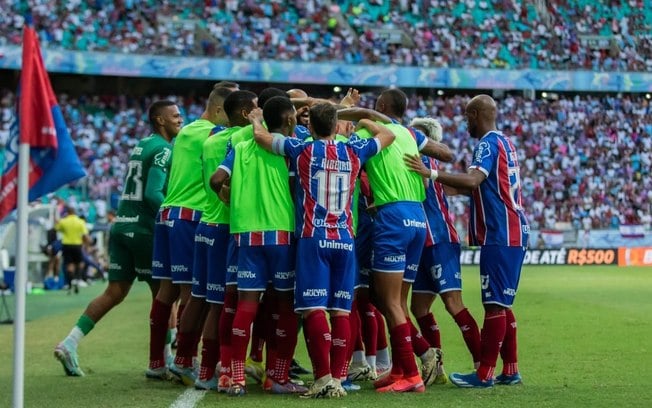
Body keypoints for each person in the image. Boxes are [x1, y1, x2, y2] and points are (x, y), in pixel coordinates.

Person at [252, 100, 396, 398]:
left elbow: (262, 138)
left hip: (313, 237)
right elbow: (388, 135)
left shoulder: (301, 148)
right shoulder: (354, 149)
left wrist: (255, 120)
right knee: (341, 311)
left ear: (310, 126)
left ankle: (322, 378)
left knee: (313, 307)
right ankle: (339, 380)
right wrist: (367, 122)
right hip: (345, 239)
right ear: (335, 126)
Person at [404, 94, 529, 388]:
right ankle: (509, 370)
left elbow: (473, 181)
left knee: (494, 306)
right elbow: (473, 188)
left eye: (465, 117)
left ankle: (483, 373)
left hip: (501, 233)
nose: (464, 123)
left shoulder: (486, 143)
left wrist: (431, 173)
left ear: (474, 115)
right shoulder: (506, 143)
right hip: (508, 231)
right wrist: (437, 181)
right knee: (501, 304)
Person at [54, 100, 181, 377]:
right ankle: (165, 360)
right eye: (175, 116)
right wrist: (173, 216)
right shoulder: (163, 149)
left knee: (114, 292)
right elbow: (151, 193)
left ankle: (70, 342)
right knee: (165, 296)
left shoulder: (141, 145)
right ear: (160, 120)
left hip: (121, 225)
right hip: (144, 231)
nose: (180, 120)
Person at [355, 87, 453, 393]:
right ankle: (399, 367)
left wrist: (351, 115)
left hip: (392, 217)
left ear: (381, 105)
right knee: (397, 300)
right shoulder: (411, 134)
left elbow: (342, 155)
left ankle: (411, 374)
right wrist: (427, 171)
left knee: (386, 300)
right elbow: (447, 153)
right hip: (416, 217)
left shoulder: (366, 129)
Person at [210, 93, 305, 396]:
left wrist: (229, 196)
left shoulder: (238, 147)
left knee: (246, 305)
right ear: (289, 120)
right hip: (280, 233)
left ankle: (235, 377)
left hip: (245, 234)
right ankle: (276, 377)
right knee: (284, 307)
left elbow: (215, 180)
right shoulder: (290, 149)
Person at [147, 86, 232, 380]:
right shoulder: (213, 135)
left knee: (166, 292)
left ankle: (157, 362)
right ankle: (185, 359)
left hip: (169, 213)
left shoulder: (188, 131)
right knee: (194, 295)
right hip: (191, 215)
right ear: (220, 110)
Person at [406, 117, 482, 385]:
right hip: (422, 243)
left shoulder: (423, 162)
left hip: (439, 241)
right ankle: (436, 367)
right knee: (419, 307)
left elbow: (455, 187)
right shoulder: (425, 165)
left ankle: (481, 366)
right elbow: (454, 188)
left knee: (453, 304)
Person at [191, 90, 258, 391]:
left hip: (206, 222)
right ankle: (210, 371)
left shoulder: (210, 140)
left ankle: (201, 366)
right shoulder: (247, 135)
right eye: (256, 108)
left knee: (207, 300)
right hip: (225, 226)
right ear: (246, 114)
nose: (260, 113)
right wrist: (231, 200)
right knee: (222, 304)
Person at [54, 206, 91, 294]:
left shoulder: (64, 221)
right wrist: (88, 245)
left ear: (67, 212)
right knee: (80, 262)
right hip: (77, 245)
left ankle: (70, 282)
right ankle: (77, 278)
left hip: (66, 245)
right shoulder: (80, 222)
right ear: (74, 212)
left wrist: (56, 221)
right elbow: (85, 235)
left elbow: (57, 228)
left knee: (69, 265)